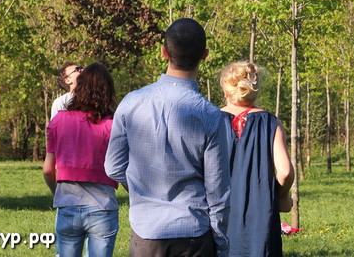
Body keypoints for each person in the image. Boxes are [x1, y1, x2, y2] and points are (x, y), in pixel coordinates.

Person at [105, 18, 230, 257]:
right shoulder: (211, 116)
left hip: (146, 234)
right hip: (193, 233)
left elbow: (113, 167)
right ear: (204, 55)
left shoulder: (131, 102)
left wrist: (142, 188)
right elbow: (218, 192)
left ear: (164, 53)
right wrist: (221, 243)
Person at [43, 63, 119, 257]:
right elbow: (119, 168)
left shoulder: (58, 120)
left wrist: (58, 193)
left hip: (67, 204)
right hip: (102, 208)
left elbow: (47, 170)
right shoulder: (113, 126)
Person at [220, 61, 294, 257]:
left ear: (226, 92)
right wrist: (282, 196)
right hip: (261, 219)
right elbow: (285, 172)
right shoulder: (271, 122)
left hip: (220, 216)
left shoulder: (210, 121)